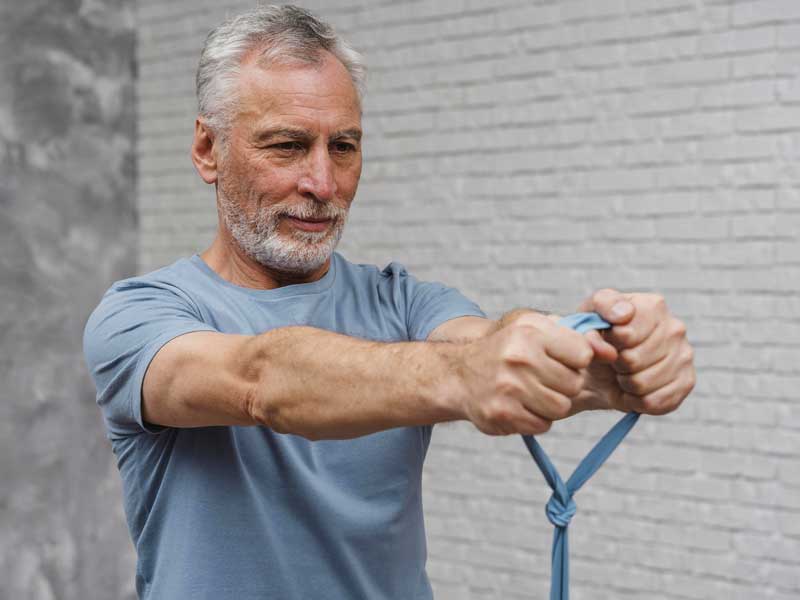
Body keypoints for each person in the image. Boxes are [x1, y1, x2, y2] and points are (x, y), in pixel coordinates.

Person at [83, 5, 695, 599]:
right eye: (287, 146)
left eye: (343, 147)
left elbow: (489, 345)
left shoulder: (404, 303)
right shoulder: (140, 315)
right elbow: (261, 381)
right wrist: (464, 375)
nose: (323, 184)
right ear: (207, 149)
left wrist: (614, 361)